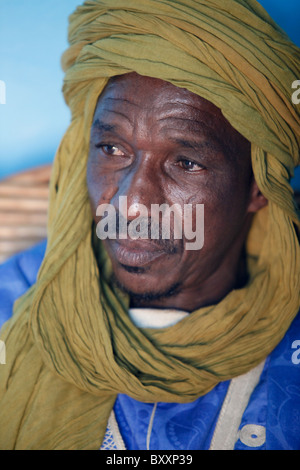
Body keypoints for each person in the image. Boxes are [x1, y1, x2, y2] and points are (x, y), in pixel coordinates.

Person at [0, 0, 299, 451]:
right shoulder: (11, 302)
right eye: (112, 150)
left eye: (186, 162)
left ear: (259, 186)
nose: (132, 204)